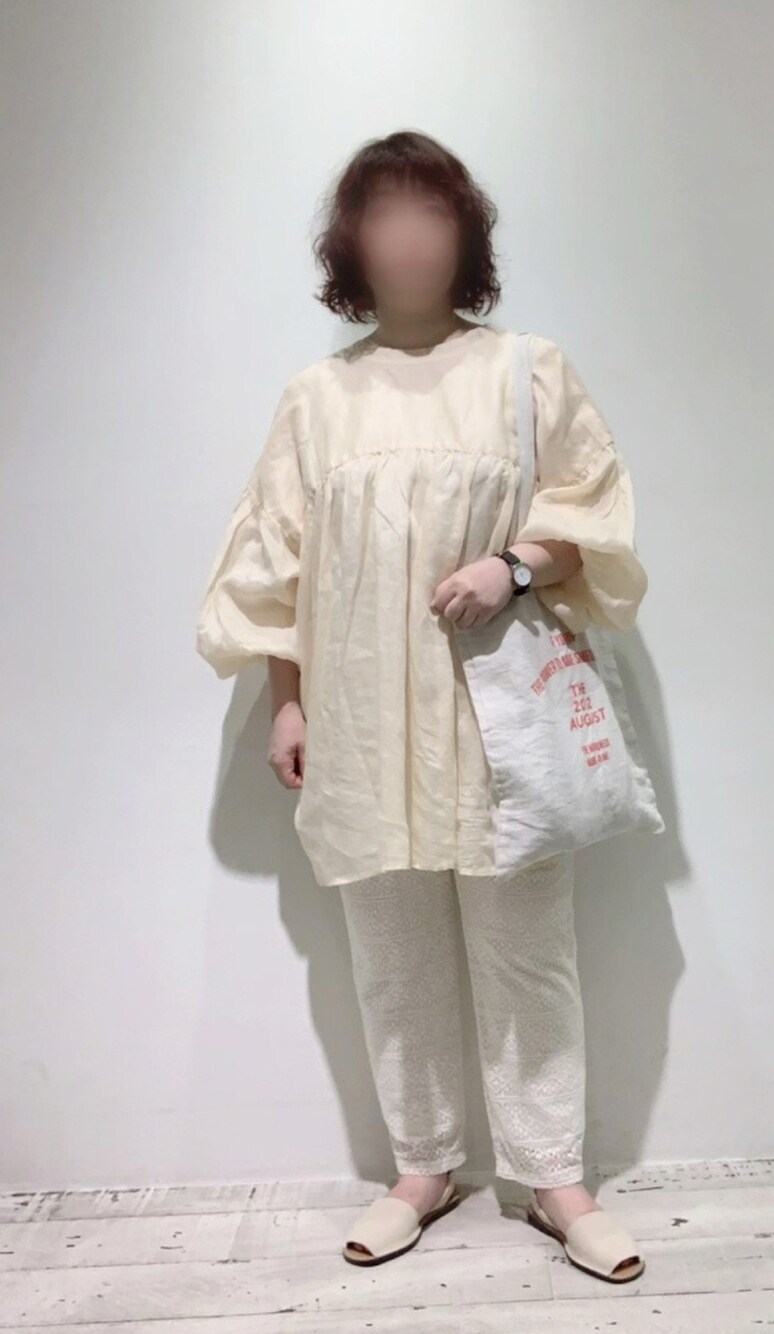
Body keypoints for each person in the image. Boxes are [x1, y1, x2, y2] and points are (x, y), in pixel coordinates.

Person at [195, 130, 650, 1283]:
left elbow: (591, 504)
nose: (407, 235)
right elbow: (277, 565)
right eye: (383, 212)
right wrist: (288, 703)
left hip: (501, 720)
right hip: (362, 715)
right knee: (391, 951)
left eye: (429, 210)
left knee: (527, 949)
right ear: (350, 241)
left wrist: (515, 563)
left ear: (466, 232)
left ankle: (554, 1175)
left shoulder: (523, 372)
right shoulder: (318, 399)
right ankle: (423, 1164)